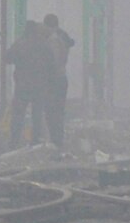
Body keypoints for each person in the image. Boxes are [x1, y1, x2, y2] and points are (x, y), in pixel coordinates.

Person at [4, 20, 57, 148]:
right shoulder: (44, 45)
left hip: (22, 85)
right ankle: (35, 140)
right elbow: (52, 64)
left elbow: (8, 58)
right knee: (37, 114)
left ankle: (14, 141)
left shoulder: (20, 43)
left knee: (18, 114)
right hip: (39, 85)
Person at [42, 14, 76, 150]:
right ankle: (58, 140)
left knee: (51, 110)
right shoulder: (63, 38)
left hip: (53, 79)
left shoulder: (53, 40)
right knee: (58, 111)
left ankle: (55, 141)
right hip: (61, 78)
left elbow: (53, 61)